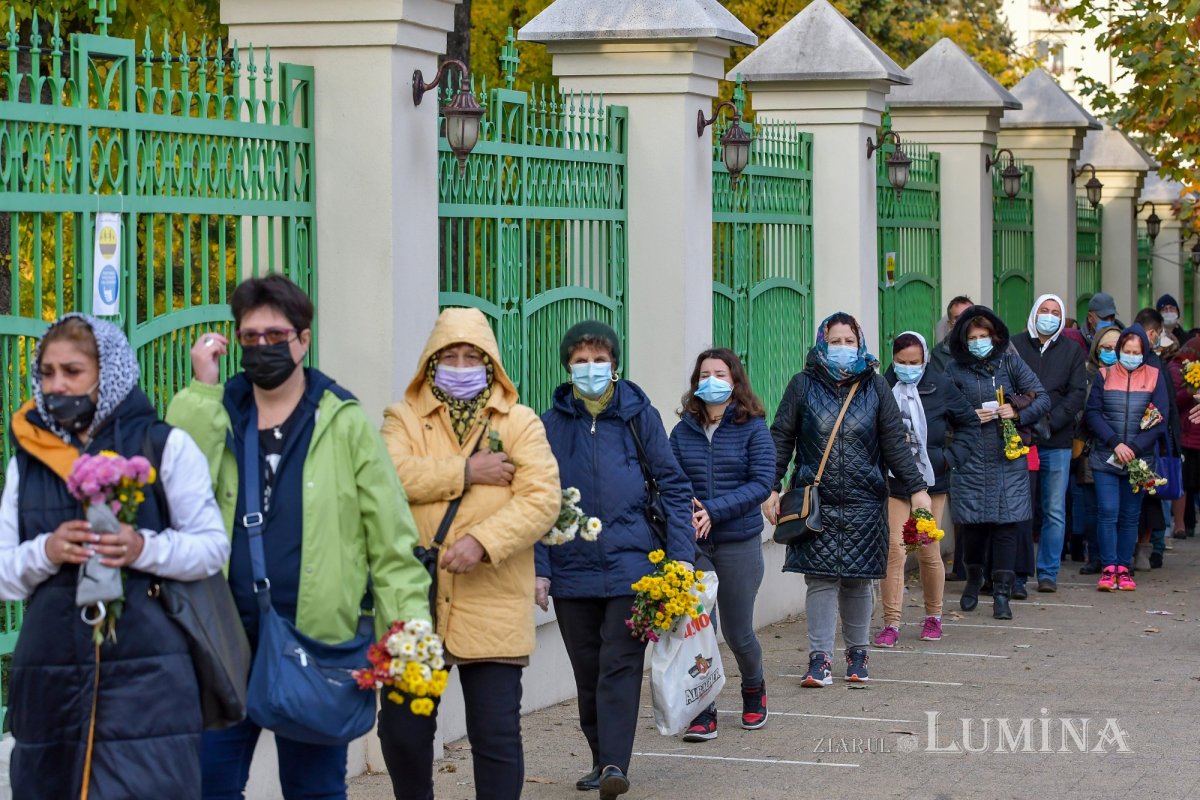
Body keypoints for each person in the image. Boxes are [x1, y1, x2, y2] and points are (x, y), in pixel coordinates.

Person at [166, 274, 431, 800]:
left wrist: (408, 636)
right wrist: (201, 388)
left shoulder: (343, 420)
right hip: (224, 640)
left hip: (318, 642)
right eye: (250, 337)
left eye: (275, 335)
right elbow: (176, 479)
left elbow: (391, 541)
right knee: (206, 785)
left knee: (314, 790)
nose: (262, 347)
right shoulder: (220, 410)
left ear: (303, 340)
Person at [0, 314, 229, 798]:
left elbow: (211, 547)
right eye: (47, 373)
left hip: (149, 674)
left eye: (73, 371)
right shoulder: (29, 463)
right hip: (50, 678)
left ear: (109, 373)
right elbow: (5, 575)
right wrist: (46, 550)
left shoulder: (164, 446)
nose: (57, 384)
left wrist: (144, 547)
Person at [379, 307, 561, 800]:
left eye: (471, 356)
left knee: (495, 735)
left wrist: (482, 541)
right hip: (415, 602)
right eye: (449, 356)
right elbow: (388, 478)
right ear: (431, 363)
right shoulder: (403, 418)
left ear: (491, 364)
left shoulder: (519, 423)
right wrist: (467, 472)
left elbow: (542, 499)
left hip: (493, 598)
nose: (460, 365)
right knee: (402, 732)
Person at [537, 321, 693, 800]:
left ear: (615, 364)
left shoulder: (638, 414)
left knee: (619, 667)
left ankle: (613, 765)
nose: (590, 369)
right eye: (580, 361)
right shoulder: (550, 423)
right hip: (570, 569)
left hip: (634, 567)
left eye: (598, 360)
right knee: (587, 671)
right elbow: (537, 501)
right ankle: (597, 755)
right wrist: (541, 570)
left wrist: (681, 560)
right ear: (567, 366)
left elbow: (673, 484)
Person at [763, 313, 931, 687]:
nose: (842, 348)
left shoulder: (875, 388)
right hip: (815, 502)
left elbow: (894, 444)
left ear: (860, 342)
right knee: (820, 580)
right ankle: (819, 659)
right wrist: (770, 487)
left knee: (857, 580)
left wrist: (917, 487)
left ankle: (858, 653)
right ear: (822, 343)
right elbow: (781, 439)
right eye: (835, 341)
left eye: (848, 341)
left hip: (864, 500)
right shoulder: (802, 385)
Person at [668, 348, 775, 741]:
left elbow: (761, 482)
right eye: (704, 373)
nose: (711, 379)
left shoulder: (753, 427)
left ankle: (753, 689)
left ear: (734, 381)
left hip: (738, 542)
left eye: (720, 373)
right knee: (699, 631)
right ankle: (703, 707)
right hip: (695, 546)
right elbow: (670, 480)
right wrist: (687, 513)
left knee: (737, 632)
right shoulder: (682, 431)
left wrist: (713, 509)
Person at [873, 332, 979, 648]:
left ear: (925, 360)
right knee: (895, 549)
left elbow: (969, 424)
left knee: (927, 548)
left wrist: (948, 458)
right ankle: (891, 622)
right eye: (901, 363)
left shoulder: (941, 385)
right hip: (894, 480)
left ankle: (933, 616)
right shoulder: (881, 387)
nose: (908, 368)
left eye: (914, 363)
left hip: (931, 481)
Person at [944, 306, 1049, 620]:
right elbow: (940, 411)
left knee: (1006, 525)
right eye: (972, 337)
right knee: (973, 526)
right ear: (963, 340)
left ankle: (1002, 593)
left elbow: (1042, 397)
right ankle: (974, 580)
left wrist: (1016, 412)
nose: (978, 342)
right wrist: (966, 417)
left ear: (994, 337)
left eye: (983, 336)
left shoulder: (1010, 362)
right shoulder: (952, 370)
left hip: (1007, 455)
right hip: (971, 456)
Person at [1084, 324, 1171, 591]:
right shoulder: (1104, 374)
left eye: (1136, 351)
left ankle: (1125, 567)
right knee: (1107, 511)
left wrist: (1132, 447)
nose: (1131, 355)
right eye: (1126, 350)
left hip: (1138, 460)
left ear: (1144, 352)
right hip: (1105, 457)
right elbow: (1093, 414)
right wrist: (1115, 443)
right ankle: (1109, 568)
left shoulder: (1155, 376)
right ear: (1119, 349)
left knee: (1131, 515)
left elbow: (1159, 419)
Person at [1011, 294, 1087, 593]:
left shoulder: (1071, 351)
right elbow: (1009, 385)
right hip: (1022, 440)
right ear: (1034, 313)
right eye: (1044, 310)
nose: (1049, 316)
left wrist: (1050, 422)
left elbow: (1077, 394)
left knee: (1054, 509)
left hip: (1057, 440)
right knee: (1021, 508)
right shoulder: (1015, 346)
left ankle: (1047, 573)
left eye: (1055, 312)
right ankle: (1018, 571)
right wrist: (1029, 419)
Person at [1073, 327, 1122, 574]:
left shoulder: (1129, 375)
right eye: (1106, 348)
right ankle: (1095, 556)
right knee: (1093, 508)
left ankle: (1120, 559)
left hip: (1123, 449)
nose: (1111, 353)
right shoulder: (1085, 374)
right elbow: (1079, 407)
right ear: (1096, 349)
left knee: (1118, 508)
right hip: (1091, 448)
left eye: (1116, 347)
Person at [1170, 332, 1200, 542]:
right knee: (1183, 482)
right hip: (1186, 434)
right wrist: (1190, 391)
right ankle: (1180, 525)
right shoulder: (1177, 369)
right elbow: (1175, 402)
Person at [930, 295, 974, 374]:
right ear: (950, 324)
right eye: (957, 318)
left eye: (967, 315)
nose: (963, 320)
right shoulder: (939, 353)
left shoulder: (987, 345)